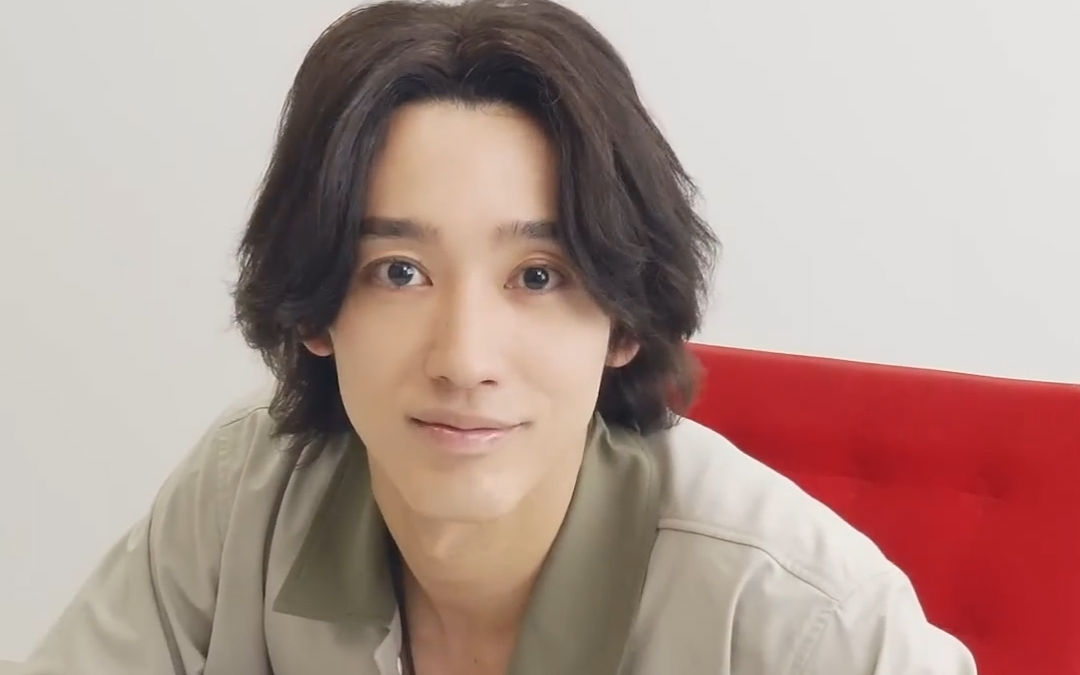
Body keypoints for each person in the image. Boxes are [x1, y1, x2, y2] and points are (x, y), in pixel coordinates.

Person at [20, 1, 978, 673]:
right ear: (314, 309)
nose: (464, 358)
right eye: (399, 271)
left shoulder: (803, 617)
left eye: (538, 275)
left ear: (622, 318)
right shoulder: (246, 495)